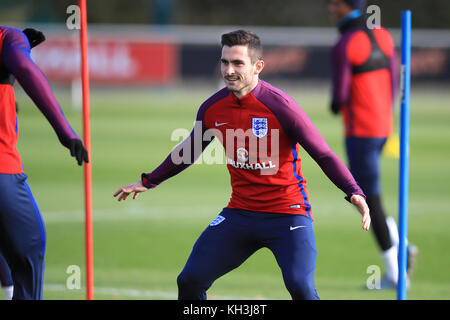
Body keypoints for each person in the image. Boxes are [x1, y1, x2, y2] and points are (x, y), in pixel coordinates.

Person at [114, 29, 371, 300]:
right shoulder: (212, 108)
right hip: (240, 214)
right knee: (189, 281)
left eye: (238, 63)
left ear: (258, 66)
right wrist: (148, 181)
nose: (229, 70)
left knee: (301, 288)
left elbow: (324, 154)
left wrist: (353, 190)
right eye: (225, 62)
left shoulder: (282, 106)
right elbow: (189, 150)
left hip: (288, 215)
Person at [328, 0, 417, 288]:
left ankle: (395, 272)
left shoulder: (345, 43)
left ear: (344, 6)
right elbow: (394, 82)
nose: (330, 8)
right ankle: (402, 247)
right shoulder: (383, 34)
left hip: (360, 131)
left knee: (367, 200)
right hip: (383, 127)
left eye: (333, 3)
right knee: (372, 197)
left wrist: (336, 105)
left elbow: (339, 96)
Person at [0, 26, 89, 300]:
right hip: (2, 171)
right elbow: (25, 69)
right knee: (29, 254)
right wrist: (67, 133)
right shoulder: (6, 36)